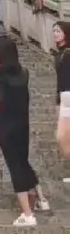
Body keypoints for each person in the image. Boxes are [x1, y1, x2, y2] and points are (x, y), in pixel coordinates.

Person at [0, 35, 50, 226]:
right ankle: (41, 199)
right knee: (23, 161)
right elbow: (8, 93)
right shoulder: (24, 73)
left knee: (15, 166)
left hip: (6, 125)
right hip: (23, 125)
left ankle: (27, 214)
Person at [53, 21, 70, 174]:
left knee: (62, 136)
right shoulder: (60, 53)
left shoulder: (68, 53)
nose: (55, 33)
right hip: (63, 97)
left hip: (68, 98)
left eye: (58, 31)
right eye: (54, 31)